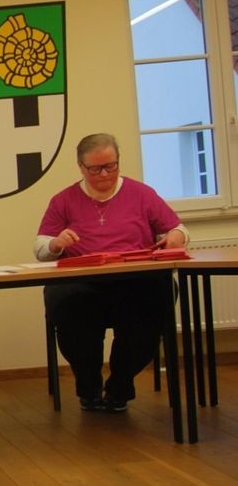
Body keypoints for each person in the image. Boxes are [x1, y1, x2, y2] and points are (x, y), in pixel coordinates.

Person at [35, 132, 187, 412]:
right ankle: (89, 386)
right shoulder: (64, 200)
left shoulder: (142, 194)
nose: (105, 173)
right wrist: (57, 244)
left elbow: (176, 228)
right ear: (81, 167)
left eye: (111, 166)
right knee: (66, 302)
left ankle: (120, 385)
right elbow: (42, 247)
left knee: (159, 293)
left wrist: (177, 236)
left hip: (134, 281)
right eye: (96, 168)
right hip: (83, 282)